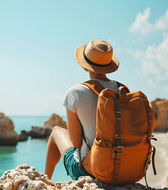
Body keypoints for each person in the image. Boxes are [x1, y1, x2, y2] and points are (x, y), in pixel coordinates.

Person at [44, 39, 121, 180]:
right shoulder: (122, 90)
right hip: (122, 168)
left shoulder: (75, 92)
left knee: (56, 131)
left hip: (90, 170)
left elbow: (76, 143)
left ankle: (45, 181)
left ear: (85, 65)